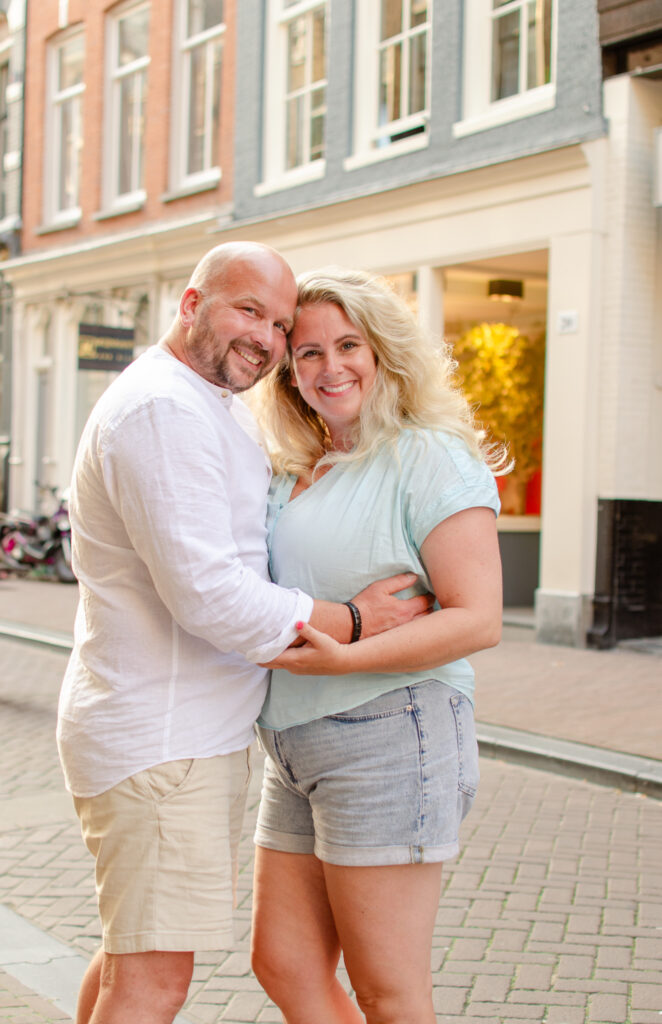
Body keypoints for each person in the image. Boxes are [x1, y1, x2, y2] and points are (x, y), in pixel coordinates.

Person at [56, 242, 429, 1024]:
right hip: (166, 744)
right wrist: (356, 620)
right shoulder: (165, 409)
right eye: (247, 310)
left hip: (166, 734)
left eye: (279, 323)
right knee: (153, 983)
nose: (266, 337)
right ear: (191, 304)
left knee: (129, 960)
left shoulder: (195, 403)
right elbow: (210, 595)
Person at [250, 266, 506, 1024]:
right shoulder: (303, 467)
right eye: (308, 354)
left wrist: (349, 652)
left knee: (390, 992)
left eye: (348, 345)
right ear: (289, 373)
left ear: (383, 350)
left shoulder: (426, 454)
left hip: (391, 731)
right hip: (292, 744)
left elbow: (477, 617)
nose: (331, 368)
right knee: (285, 963)